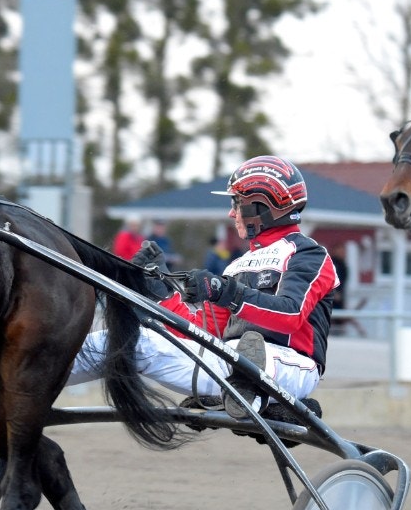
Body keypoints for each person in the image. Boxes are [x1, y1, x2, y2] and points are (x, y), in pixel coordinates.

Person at [70, 155, 339, 419]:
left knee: (253, 351)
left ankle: (254, 392)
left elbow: (290, 316)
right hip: (229, 363)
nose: (232, 213)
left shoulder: (309, 255)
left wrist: (225, 292)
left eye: (238, 203)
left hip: (290, 367)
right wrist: (160, 291)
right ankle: (37, 369)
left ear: (263, 207)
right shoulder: (237, 265)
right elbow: (206, 329)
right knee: (131, 340)